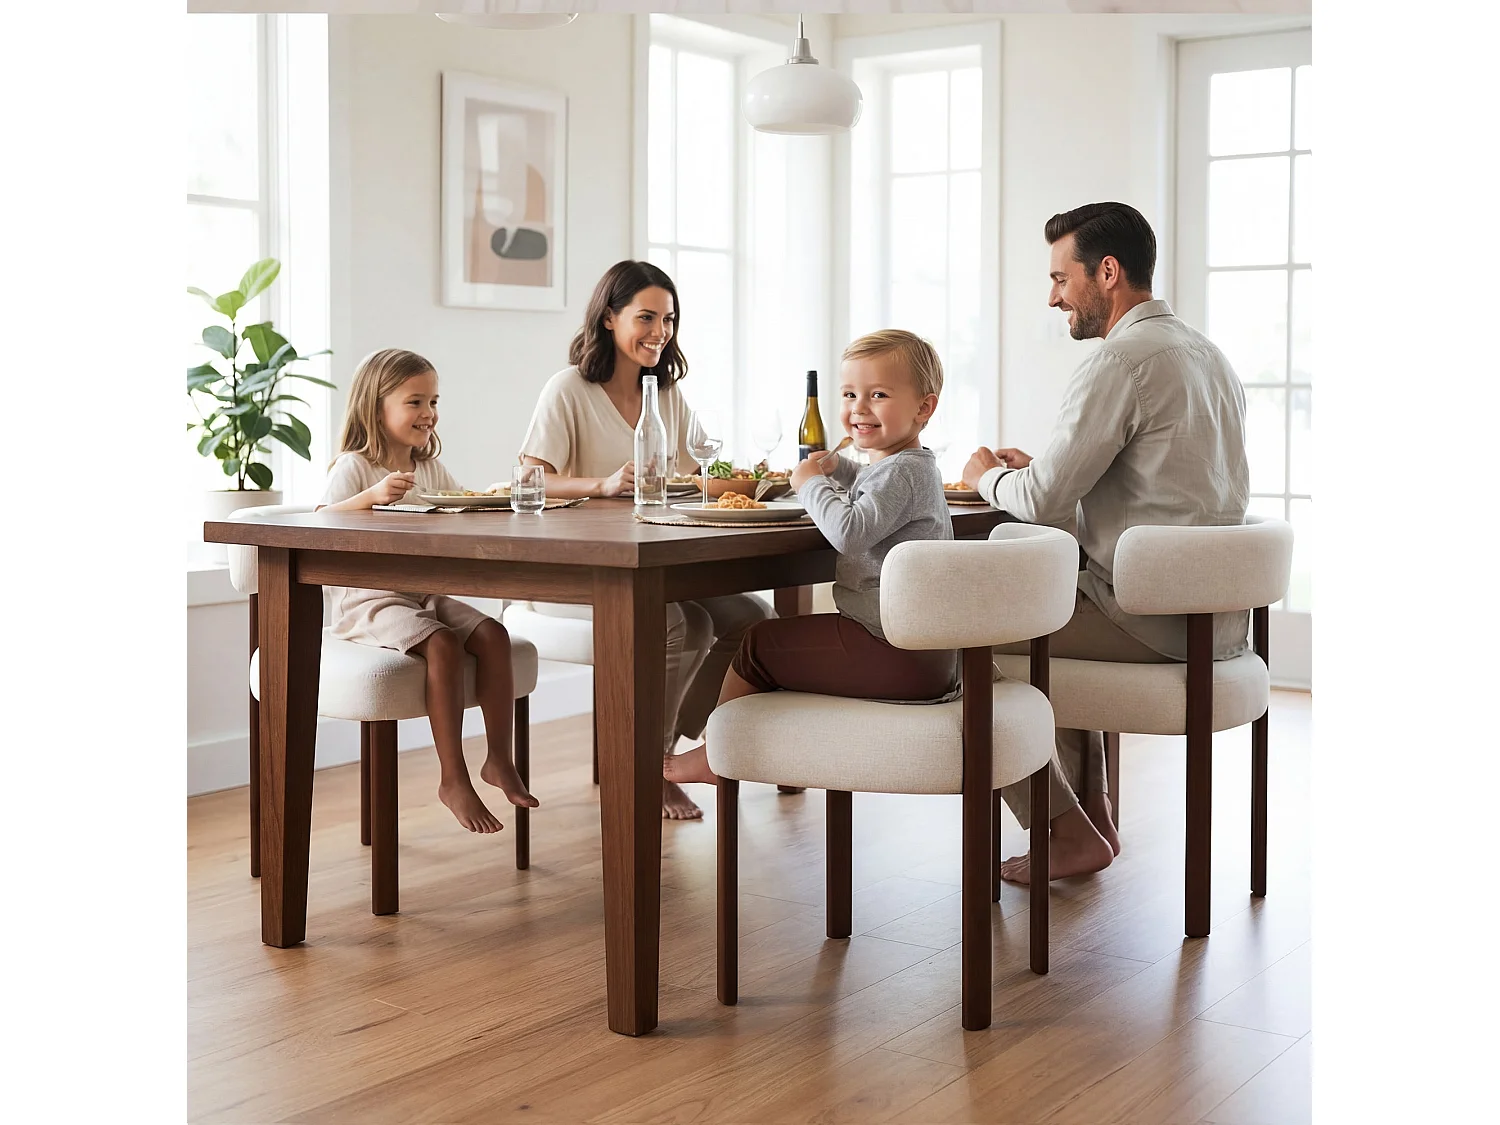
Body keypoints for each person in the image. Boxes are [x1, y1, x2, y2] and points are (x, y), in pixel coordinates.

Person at [960, 201, 1250, 884]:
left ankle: (1064, 826)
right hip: (1219, 622)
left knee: (965, 643)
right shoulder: (1207, 354)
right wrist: (1037, 472)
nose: (1053, 296)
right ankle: (1089, 822)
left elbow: (1041, 501)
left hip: (1151, 621)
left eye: (1062, 278)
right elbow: (1159, 481)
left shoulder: (1118, 361)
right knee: (1051, 605)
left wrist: (988, 476)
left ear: (1108, 272)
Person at [516, 260, 773, 820]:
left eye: (669, 319)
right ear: (609, 318)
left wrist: (743, 476)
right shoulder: (569, 390)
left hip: (655, 563)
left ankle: (669, 745)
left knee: (752, 616)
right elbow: (530, 477)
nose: (660, 331)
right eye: (646, 317)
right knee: (680, 623)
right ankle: (646, 762)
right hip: (579, 572)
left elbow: (698, 472)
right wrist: (602, 485)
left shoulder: (668, 394)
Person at [665, 329, 957, 787]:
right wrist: (839, 469)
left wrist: (809, 483)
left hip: (892, 653)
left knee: (759, 643)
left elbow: (849, 530)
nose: (858, 408)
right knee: (776, 642)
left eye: (878, 394)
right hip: (921, 654)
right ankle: (765, 754)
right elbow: (874, 488)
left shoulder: (900, 473)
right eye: (849, 394)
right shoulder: (910, 467)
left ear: (924, 408)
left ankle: (719, 755)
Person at [319, 348, 538, 834]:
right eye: (414, 402)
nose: (429, 414)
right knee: (440, 643)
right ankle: (452, 777)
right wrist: (372, 498)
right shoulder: (355, 467)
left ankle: (499, 759)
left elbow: (459, 506)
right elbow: (320, 523)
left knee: (493, 636)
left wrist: (494, 497)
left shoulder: (429, 467)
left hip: (420, 593)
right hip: (367, 600)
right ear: (376, 407)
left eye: (433, 401)